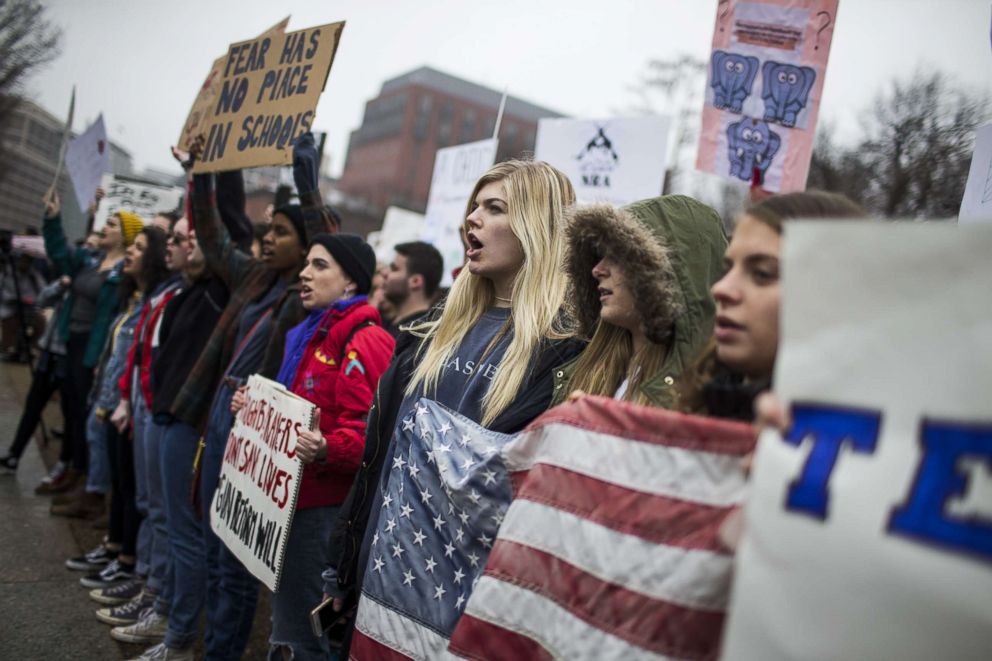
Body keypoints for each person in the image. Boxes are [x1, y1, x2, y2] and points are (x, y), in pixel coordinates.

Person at [323, 159, 585, 654]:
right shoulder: (429, 331)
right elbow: (379, 462)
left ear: (537, 225)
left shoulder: (566, 354)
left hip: (459, 610)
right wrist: (343, 561)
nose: (472, 219)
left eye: (495, 208)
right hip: (377, 580)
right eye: (473, 208)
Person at [182, 132, 336, 661]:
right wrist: (201, 173)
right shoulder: (252, 279)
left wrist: (305, 182)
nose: (268, 239)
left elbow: (328, 237)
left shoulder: (304, 298)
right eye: (268, 230)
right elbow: (213, 232)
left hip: (257, 434)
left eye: (282, 232)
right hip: (222, 420)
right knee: (210, 545)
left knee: (234, 564)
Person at [232, 232, 394, 660]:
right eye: (307, 263)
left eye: (320, 265)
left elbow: (372, 435)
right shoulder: (310, 333)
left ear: (351, 284)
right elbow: (293, 406)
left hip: (320, 509)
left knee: (300, 636)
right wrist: (254, 409)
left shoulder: (365, 338)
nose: (305, 273)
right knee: (286, 622)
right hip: (290, 499)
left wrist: (327, 448)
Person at [679, 190, 866, 420]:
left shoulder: (879, 445)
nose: (721, 289)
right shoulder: (691, 402)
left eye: (762, 273)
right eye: (727, 270)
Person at [69, 227, 168, 586]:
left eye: (139, 248)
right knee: (121, 481)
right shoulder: (132, 298)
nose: (130, 252)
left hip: (130, 405)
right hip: (115, 400)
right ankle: (112, 546)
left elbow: (140, 359)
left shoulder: (156, 302)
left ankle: (127, 559)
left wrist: (122, 400)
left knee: (132, 487)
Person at [557, 197, 727, 407]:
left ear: (663, 273)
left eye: (618, 256)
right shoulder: (584, 376)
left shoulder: (707, 395)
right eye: (600, 256)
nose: (597, 270)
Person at [40, 191, 143, 497]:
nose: (106, 227)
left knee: (83, 411)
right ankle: (69, 464)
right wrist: (53, 219)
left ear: (126, 235)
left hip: (93, 348)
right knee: (70, 406)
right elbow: (61, 255)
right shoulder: (91, 258)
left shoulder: (124, 271)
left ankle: (82, 472)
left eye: (112, 224)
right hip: (71, 340)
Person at [0, 276, 71, 473]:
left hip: (71, 357)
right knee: (33, 405)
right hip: (50, 352)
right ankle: (15, 453)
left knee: (69, 410)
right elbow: (42, 299)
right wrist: (61, 285)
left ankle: (64, 464)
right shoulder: (68, 282)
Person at [381, 241, 444, 337]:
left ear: (415, 281)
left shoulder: (419, 334)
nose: (385, 273)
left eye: (394, 269)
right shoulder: (389, 324)